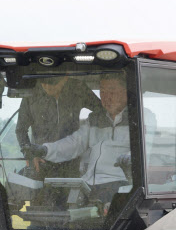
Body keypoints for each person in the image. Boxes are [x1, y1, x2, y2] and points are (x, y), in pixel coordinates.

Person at [25, 73, 132, 204]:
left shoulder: (139, 118)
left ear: (126, 92)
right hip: (89, 186)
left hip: (121, 186)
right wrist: (45, 150)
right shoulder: (94, 119)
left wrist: (128, 158)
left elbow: (144, 151)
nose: (106, 97)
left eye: (112, 91)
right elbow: (74, 143)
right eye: (102, 92)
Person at [16, 75, 102, 178]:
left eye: (53, 83)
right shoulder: (32, 92)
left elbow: (102, 109)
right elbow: (20, 129)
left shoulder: (78, 88)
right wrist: (30, 154)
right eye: (44, 83)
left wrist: (89, 128)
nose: (48, 86)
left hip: (71, 161)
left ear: (65, 77)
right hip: (42, 161)